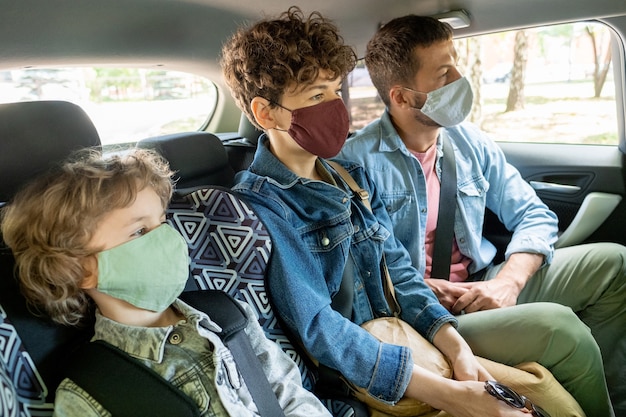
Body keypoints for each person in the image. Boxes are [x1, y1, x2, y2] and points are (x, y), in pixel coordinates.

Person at [221, 6, 605, 417]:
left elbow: (400, 274)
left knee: (553, 401)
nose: (336, 107)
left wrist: (454, 346)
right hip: (369, 375)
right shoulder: (261, 206)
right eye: (317, 96)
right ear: (265, 113)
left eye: (336, 91)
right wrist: (452, 395)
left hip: (411, 338)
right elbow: (321, 328)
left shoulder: (351, 177)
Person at [339, 13, 624, 415]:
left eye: (455, 61)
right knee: (561, 328)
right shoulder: (355, 164)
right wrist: (424, 289)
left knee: (615, 262)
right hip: (425, 312)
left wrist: (507, 282)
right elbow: (365, 267)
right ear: (402, 98)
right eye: (443, 73)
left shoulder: (468, 141)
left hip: (484, 283)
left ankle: (617, 397)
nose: (460, 77)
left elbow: (534, 214)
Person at [0, 148, 331, 417]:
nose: (168, 239)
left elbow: (289, 394)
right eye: (140, 231)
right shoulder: (89, 394)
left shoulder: (227, 315)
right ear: (79, 270)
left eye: (162, 221)